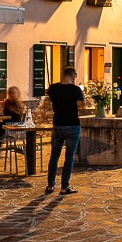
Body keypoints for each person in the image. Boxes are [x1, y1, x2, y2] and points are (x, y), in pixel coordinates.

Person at [45, 67, 85, 195]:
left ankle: (50, 185)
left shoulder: (53, 88)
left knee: (54, 156)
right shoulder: (76, 89)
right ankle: (64, 187)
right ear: (73, 75)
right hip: (72, 125)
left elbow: (48, 105)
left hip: (58, 124)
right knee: (69, 157)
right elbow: (82, 107)